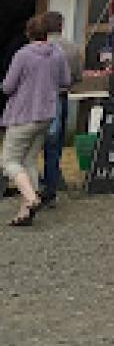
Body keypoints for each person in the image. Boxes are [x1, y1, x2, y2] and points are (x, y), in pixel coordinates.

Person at [1, 15, 71, 226]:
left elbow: (8, 86)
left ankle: (31, 198)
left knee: (8, 161)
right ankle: (25, 212)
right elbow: (66, 81)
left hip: (23, 114)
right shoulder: (57, 53)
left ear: (28, 33)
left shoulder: (23, 54)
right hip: (46, 114)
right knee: (29, 159)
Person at [40, 9, 83, 208]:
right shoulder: (72, 48)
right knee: (54, 145)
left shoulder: (33, 48)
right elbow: (76, 77)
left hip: (36, 99)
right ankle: (51, 186)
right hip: (59, 96)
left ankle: (34, 185)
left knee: (32, 145)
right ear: (61, 26)